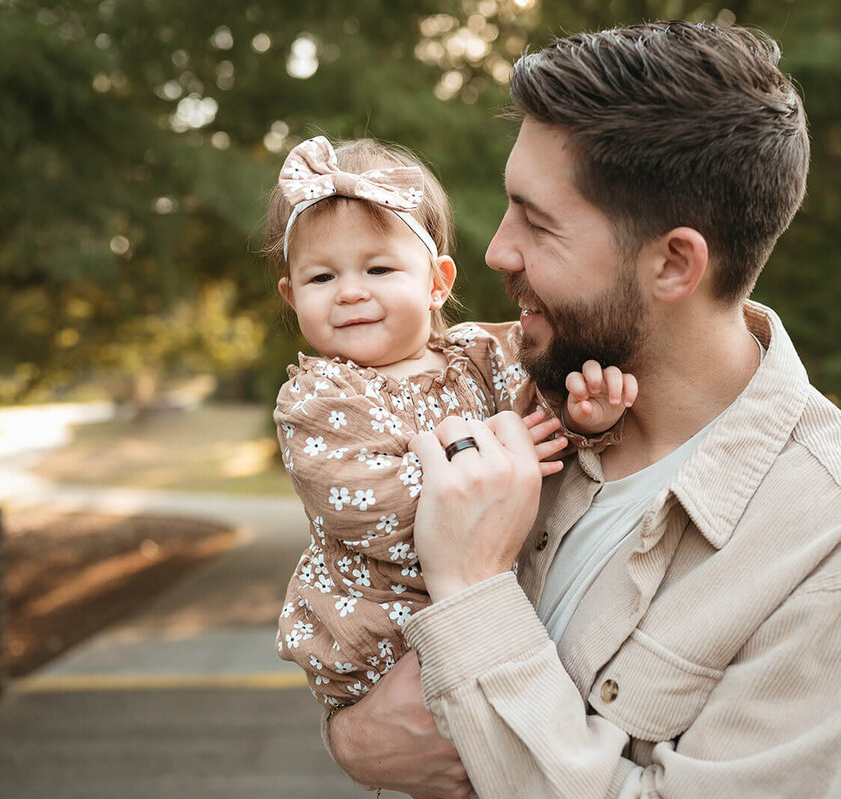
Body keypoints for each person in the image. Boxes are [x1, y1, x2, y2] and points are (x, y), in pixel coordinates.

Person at [324, 20, 841, 799]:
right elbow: (370, 635)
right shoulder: (513, 389)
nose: (496, 252)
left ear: (674, 262)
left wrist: (473, 586)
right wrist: (351, 732)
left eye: (538, 223)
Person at [265, 135, 638, 706]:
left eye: (379, 267)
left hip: (489, 617)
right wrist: (496, 458)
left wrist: (583, 419)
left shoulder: (484, 355)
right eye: (322, 278)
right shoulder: (319, 398)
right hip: (383, 639)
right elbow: (368, 508)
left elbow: (539, 432)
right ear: (292, 297)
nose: (350, 292)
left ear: (438, 282)